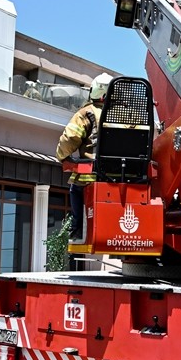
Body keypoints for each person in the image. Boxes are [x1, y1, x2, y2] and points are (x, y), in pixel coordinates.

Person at [55, 73, 112, 241]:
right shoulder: (126, 114)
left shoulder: (86, 113)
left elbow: (70, 138)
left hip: (92, 175)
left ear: (95, 91)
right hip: (122, 177)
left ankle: (77, 230)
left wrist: (61, 156)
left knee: (75, 188)